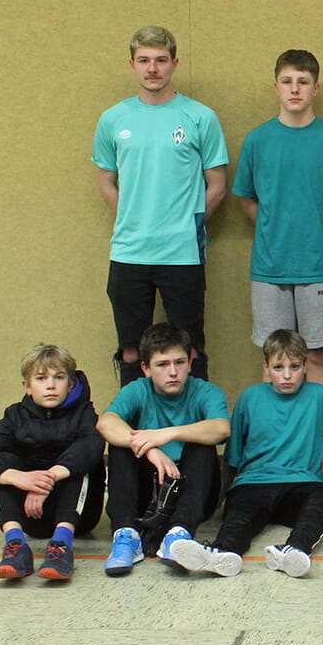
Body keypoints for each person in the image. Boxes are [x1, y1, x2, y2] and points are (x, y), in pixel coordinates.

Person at [171, 329, 323, 578]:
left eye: (294, 366)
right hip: (253, 485)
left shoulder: (321, 397)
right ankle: (221, 552)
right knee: (239, 518)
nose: (287, 375)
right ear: (266, 367)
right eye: (279, 367)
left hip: (301, 488)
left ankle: (294, 550)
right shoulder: (250, 398)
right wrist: (219, 499)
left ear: (305, 366)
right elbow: (233, 458)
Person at [92, 25, 228, 385]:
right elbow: (106, 181)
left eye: (161, 60)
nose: (153, 68)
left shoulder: (200, 117)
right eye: (144, 60)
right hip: (129, 252)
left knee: (189, 348)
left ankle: (197, 435)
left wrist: (189, 224)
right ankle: (134, 436)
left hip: (181, 252)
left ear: (174, 63)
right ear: (132, 65)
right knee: (131, 350)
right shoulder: (113, 119)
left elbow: (216, 185)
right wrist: (133, 218)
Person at [233, 49, 323, 388]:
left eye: (303, 82)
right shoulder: (258, 140)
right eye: (287, 81)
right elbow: (246, 198)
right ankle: (276, 437)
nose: (295, 89)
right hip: (270, 266)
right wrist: (275, 230)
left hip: (320, 265)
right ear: (275, 87)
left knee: (317, 355)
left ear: (316, 88)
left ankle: (316, 437)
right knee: (275, 357)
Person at [96, 323, 230, 575]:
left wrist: (167, 434)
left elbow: (221, 428)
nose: (173, 372)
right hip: (150, 489)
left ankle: (179, 536)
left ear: (190, 363)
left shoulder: (205, 391)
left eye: (180, 362)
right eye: (162, 364)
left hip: (193, 491)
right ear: (146, 368)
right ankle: (126, 535)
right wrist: (149, 449)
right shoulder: (137, 389)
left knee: (202, 446)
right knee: (121, 446)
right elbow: (106, 423)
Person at [0, 344, 105, 581]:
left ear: (71, 384)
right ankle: (15, 545)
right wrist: (20, 478)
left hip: (77, 515)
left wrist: (49, 478)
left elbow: (92, 446)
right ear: (27, 387)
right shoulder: (14, 416)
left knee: (82, 461)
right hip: (30, 516)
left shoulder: (84, 413)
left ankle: (62, 546)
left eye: (59, 377)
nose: (51, 385)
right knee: (2, 463)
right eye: (41, 378)